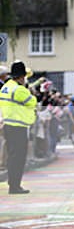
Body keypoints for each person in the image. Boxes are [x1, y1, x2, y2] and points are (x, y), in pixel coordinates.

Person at [0, 61, 37, 194]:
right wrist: (29, 91)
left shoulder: (6, 87)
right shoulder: (20, 89)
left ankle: (12, 184)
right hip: (18, 126)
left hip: (8, 125)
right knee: (19, 157)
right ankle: (15, 186)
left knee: (12, 156)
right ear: (21, 77)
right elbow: (32, 102)